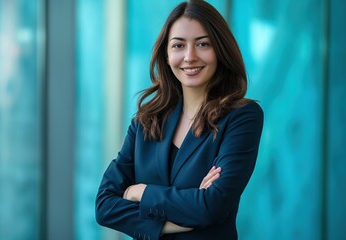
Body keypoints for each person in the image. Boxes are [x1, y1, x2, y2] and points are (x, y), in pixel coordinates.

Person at [95, 0, 263, 239]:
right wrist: (170, 224)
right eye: (178, 45)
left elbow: (211, 207)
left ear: (220, 50)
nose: (190, 56)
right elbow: (104, 206)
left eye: (203, 44)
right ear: (166, 54)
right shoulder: (147, 120)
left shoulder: (242, 117)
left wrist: (140, 192)